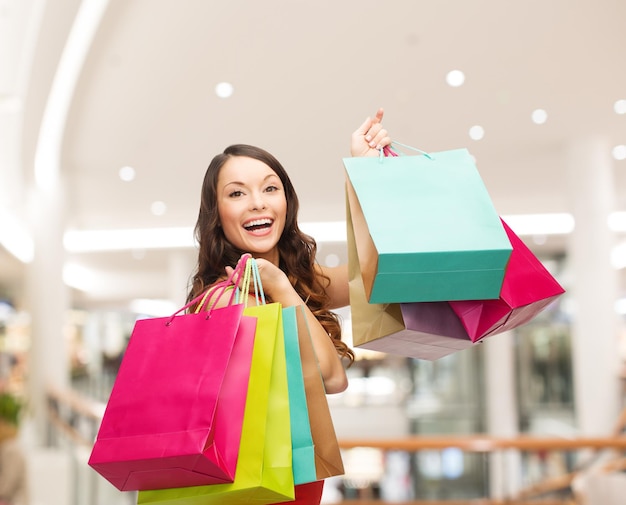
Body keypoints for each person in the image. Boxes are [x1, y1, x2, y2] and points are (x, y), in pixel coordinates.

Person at [187, 108, 391, 394]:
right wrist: (281, 287)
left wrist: (366, 170)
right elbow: (331, 378)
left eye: (270, 188)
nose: (258, 203)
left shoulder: (298, 279)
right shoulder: (226, 299)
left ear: (287, 202)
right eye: (237, 193)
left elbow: (381, 273)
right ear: (216, 215)